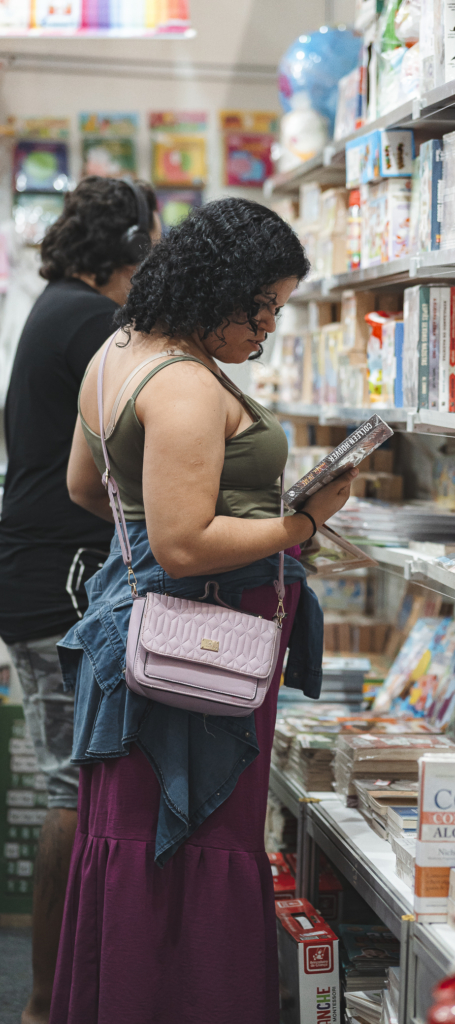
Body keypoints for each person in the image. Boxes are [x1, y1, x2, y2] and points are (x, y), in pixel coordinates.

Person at [51, 197, 356, 1024]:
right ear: (218, 290)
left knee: (133, 829)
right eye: (262, 308)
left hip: (139, 627)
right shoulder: (185, 384)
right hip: (200, 647)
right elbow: (183, 544)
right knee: (190, 837)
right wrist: (303, 520)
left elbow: (89, 488)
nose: (265, 330)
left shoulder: (119, 351)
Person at [0, 176, 160, 1024]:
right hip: (55, 575)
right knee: (69, 784)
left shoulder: (55, 308)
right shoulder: (92, 322)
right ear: (128, 250)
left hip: (35, 570)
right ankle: (41, 1004)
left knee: (73, 779)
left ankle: (54, 995)